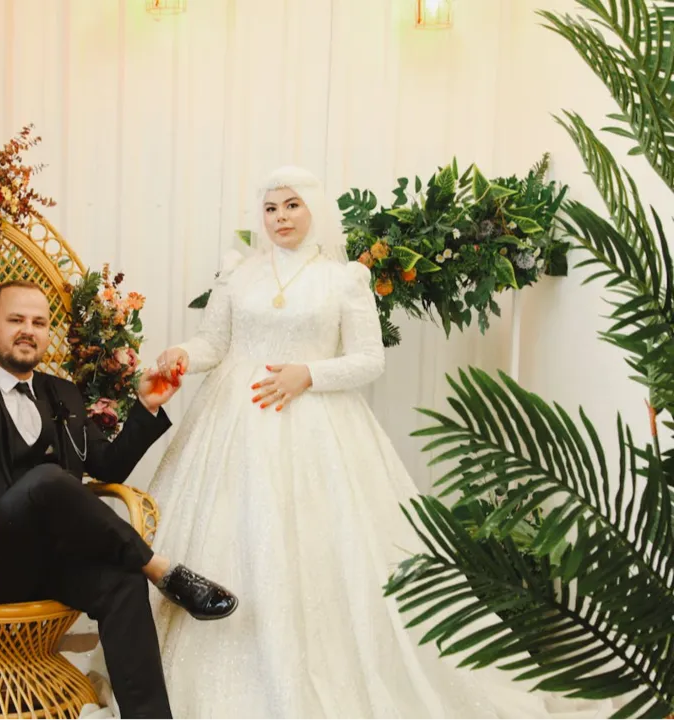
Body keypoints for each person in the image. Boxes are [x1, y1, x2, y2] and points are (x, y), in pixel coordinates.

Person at [143, 166, 619, 718]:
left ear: (314, 209)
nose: (280, 218)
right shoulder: (238, 274)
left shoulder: (344, 279)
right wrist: (182, 353)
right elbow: (213, 343)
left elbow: (369, 359)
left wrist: (309, 374)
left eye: (292, 205)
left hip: (315, 425)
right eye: (271, 208)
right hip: (231, 425)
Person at [0, 279, 238, 720]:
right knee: (48, 479)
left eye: (39, 323)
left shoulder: (62, 393)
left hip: (45, 563)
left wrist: (145, 407)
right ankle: (161, 570)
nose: (28, 330)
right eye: (16, 320)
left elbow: (107, 466)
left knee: (122, 583)